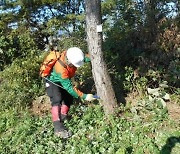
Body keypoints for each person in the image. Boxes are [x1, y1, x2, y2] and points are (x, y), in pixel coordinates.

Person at [43, 47, 95, 138]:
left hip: (62, 80)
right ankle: (58, 127)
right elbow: (69, 88)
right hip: (52, 81)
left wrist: (94, 57)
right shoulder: (61, 69)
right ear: (69, 61)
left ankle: (63, 117)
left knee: (68, 99)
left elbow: (86, 58)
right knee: (57, 99)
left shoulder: (75, 56)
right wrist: (84, 96)